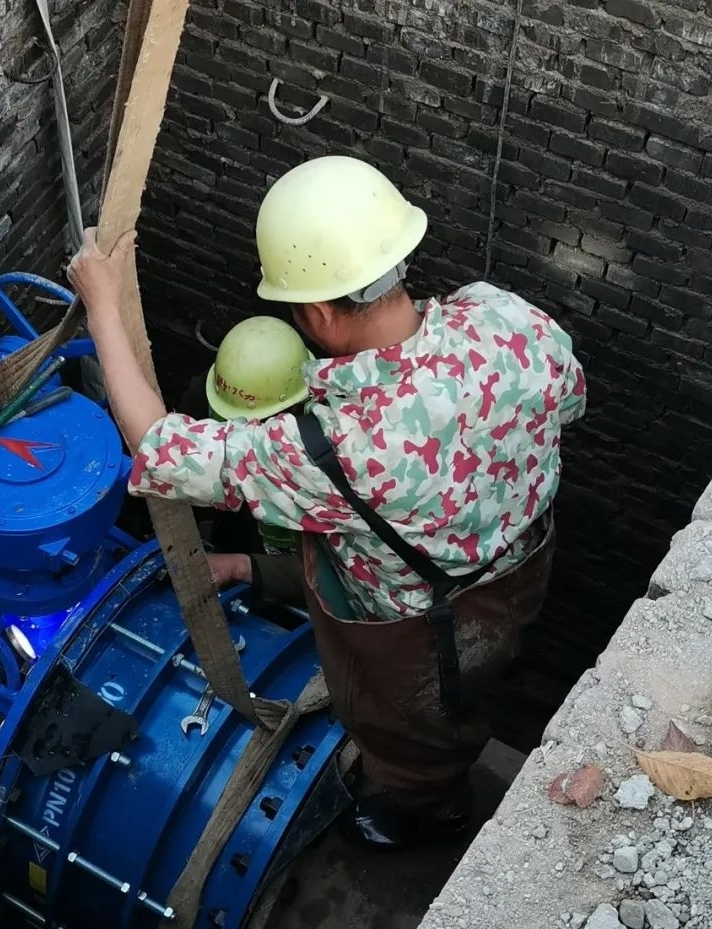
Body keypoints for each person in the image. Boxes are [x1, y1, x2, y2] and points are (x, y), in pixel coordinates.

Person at [67, 155, 587, 849]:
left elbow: (159, 446)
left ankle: (430, 809)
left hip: (416, 636)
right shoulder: (506, 317)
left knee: (411, 732)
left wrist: (102, 306)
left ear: (315, 312)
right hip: (520, 574)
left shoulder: (334, 447)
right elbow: (569, 403)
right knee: (479, 687)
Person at [175, 316, 310, 604]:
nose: (241, 431)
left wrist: (240, 566)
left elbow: (340, 575)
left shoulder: (328, 447)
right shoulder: (210, 396)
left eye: (256, 421)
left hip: (292, 557)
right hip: (235, 526)